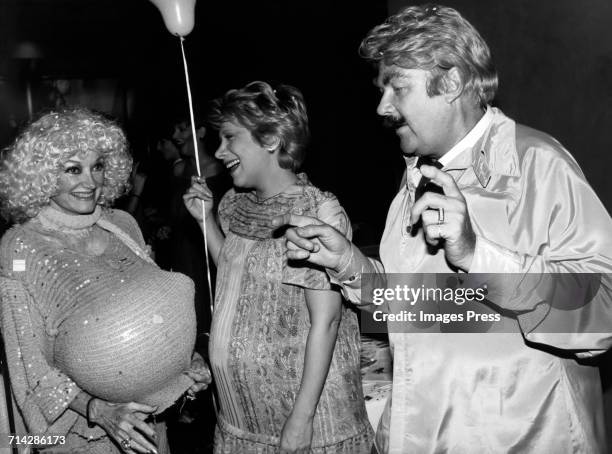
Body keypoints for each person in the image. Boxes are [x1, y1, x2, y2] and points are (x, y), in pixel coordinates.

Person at [273, 4, 612, 453]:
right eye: (381, 88)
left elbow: (603, 313)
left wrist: (477, 256)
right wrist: (351, 267)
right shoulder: (418, 174)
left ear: (451, 83)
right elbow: (432, 308)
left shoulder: (538, 164)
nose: (382, 106)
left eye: (397, 87)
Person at [0, 107, 211, 454]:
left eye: (97, 166)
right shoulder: (21, 247)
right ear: (40, 174)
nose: (90, 182)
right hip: (83, 438)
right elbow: (30, 368)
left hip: (149, 428)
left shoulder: (123, 225)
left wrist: (184, 369)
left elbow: (146, 319)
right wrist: (101, 411)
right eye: (73, 169)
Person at [183, 81, 373, 453]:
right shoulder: (232, 205)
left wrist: (301, 421)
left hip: (301, 417)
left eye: (230, 138)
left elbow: (327, 321)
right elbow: (239, 281)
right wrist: (205, 223)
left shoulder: (317, 212)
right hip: (242, 417)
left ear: (270, 139)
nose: (219, 152)